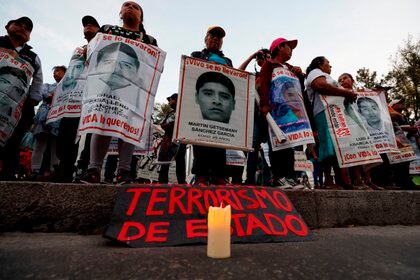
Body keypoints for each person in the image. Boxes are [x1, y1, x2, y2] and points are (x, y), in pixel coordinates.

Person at [78, 1, 158, 184]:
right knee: (102, 122)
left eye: (135, 7)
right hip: (105, 86)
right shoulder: (107, 29)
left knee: (128, 124)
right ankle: (94, 169)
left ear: (141, 17)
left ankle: (124, 171)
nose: (130, 7)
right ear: (120, 13)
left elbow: (151, 68)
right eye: (126, 5)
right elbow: (92, 53)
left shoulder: (149, 40)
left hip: (132, 88)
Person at [55, 15, 100, 182]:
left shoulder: (104, 46)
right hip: (73, 98)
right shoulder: (78, 50)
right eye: (85, 25)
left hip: (92, 97)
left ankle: (83, 168)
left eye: (93, 24)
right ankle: (64, 168)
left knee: (88, 134)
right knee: (66, 133)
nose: (88, 26)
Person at [258, 37, 306, 189]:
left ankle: (291, 177)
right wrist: (265, 105)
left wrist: (300, 75)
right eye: (289, 47)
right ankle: (279, 177)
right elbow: (264, 85)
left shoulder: (290, 68)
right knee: (278, 144)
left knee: (292, 144)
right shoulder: (269, 65)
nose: (291, 50)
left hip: (293, 112)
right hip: (276, 111)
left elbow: (299, 90)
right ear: (280, 47)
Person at [0, 16, 43, 180]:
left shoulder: (33, 57)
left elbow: (37, 82)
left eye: (27, 27)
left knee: (12, 144)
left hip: (17, 107)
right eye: (18, 24)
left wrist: (31, 101)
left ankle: (7, 179)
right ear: (7, 26)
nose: (22, 27)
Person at [305, 57, 357, 189]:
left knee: (337, 146)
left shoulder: (326, 76)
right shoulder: (315, 73)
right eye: (328, 63)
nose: (330, 65)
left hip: (335, 113)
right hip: (324, 112)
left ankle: (340, 179)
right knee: (327, 146)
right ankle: (328, 180)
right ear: (320, 64)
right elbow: (320, 85)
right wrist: (345, 93)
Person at [190, 26, 232, 185]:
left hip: (221, 103)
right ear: (205, 39)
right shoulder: (196, 55)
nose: (215, 39)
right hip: (203, 102)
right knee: (200, 138)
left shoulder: (228, 61)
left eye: (219, 38)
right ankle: (200, 175)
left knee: (220, 138)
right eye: (212, 36)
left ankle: (219, 175)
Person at [338, 72, 383, 190]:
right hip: (351, 127)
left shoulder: (361, 93)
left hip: (365, 127)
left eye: (345, 78)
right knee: (356, 153)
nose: (342, 81)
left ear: (352, 80)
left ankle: (368, 181)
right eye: (340, 80)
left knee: (368, 153)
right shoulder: (339, 94)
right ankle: (358, 180)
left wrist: (373, 94)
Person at [238, 49, 271, 185]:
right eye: (259, 59)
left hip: (271, 117)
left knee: (271, 149)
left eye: (265, 57)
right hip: (256, 117)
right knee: (253, 147)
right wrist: (252, 56)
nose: (261, 60)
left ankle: (269, 178)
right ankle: (250, 178)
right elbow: (239, 71)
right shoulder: (254, 76)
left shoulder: (274, 72)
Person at [30, 66, 66, 180]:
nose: (55, 73)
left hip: (59, 117)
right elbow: (45, 95)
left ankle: (53, 169)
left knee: (56, 145)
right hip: (44, 117)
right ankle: (35, 170)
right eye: (54, 72)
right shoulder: (47, 86)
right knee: (40, 143)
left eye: (57, 71)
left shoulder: (69, 87)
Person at [158, 93, 187, 184]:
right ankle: (162, 182)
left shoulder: (183, 111)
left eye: (170, 99)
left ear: (176, 99)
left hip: (179, 139)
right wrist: (166, 125)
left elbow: (174, 124)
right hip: (168, 139)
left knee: (180, 160)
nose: (169, 102)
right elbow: (163, 124)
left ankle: (182, 182)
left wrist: (168, 125)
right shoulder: (170, 113)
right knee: (164, 161)